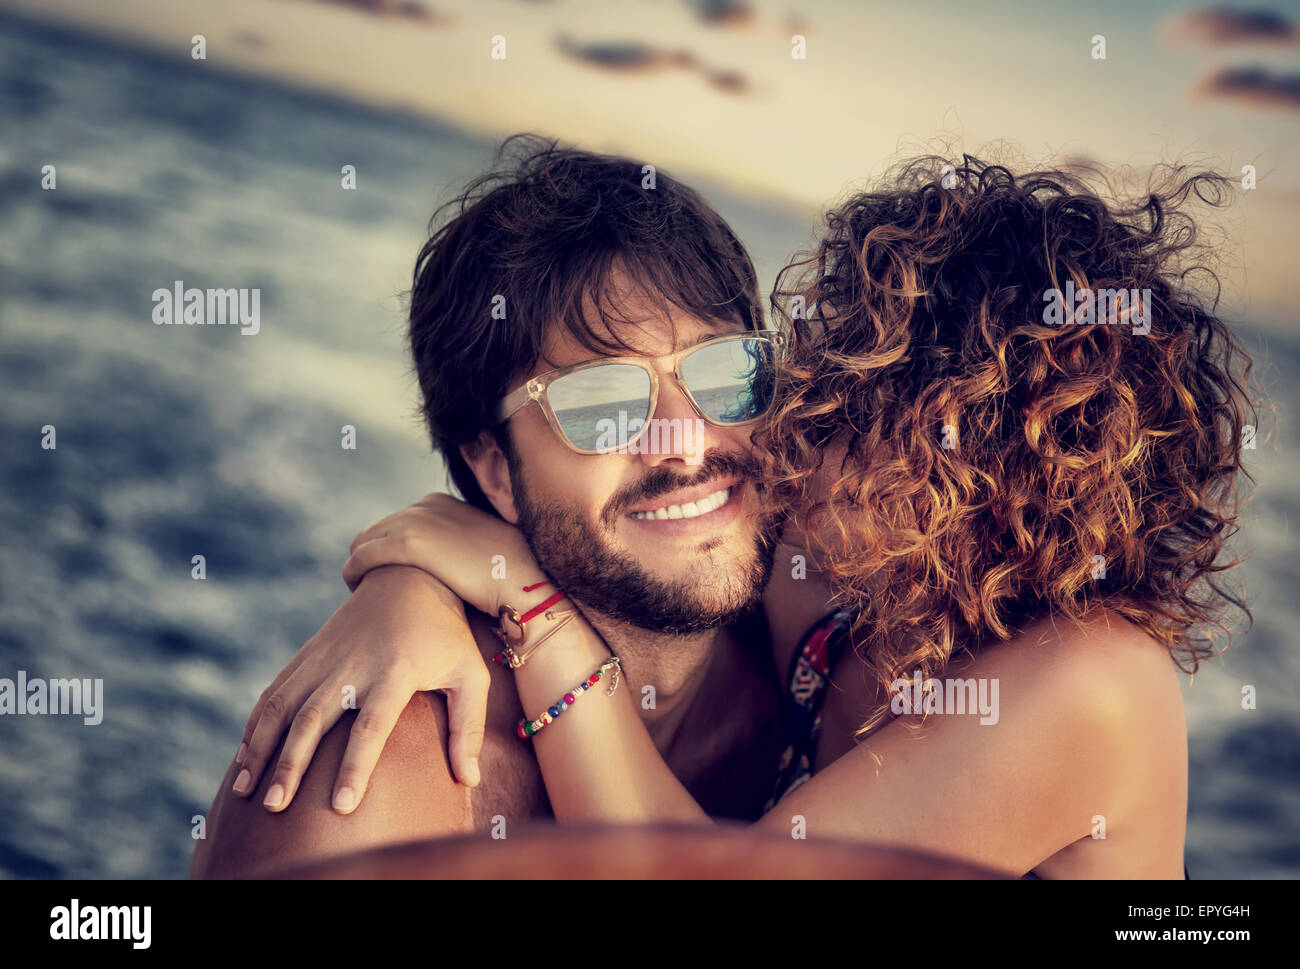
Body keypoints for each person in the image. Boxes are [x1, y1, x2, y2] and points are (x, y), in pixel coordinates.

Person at [196, 148, 1255, 879]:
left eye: (737, 378)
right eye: (600, 404)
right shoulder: (836, 596)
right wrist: (408, 582)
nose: (719, 438)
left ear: (963, 480)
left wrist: (527, 606)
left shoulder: (1086, 686)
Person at [190, 136, 791, 878]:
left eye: (724, 369)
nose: (686, 441)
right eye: (600, 400)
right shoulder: (374, 795)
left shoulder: (839, 666)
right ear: (495, 469)